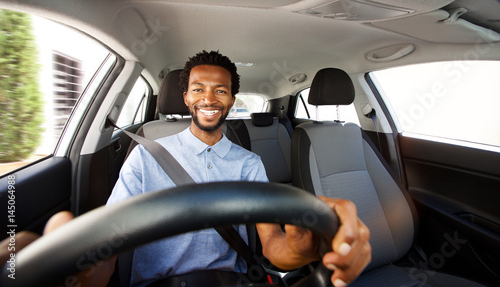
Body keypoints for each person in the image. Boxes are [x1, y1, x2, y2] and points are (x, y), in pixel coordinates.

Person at [1, 50, 371, 287]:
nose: (209, 98)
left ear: (231, 99)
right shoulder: (146, 156)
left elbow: (274, 247)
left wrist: (304, 249)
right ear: (185, 96)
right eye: (198, 89)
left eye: (220, 90)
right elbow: (109, 248)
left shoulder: (249, 164)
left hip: (231, 282)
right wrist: (76, 269)